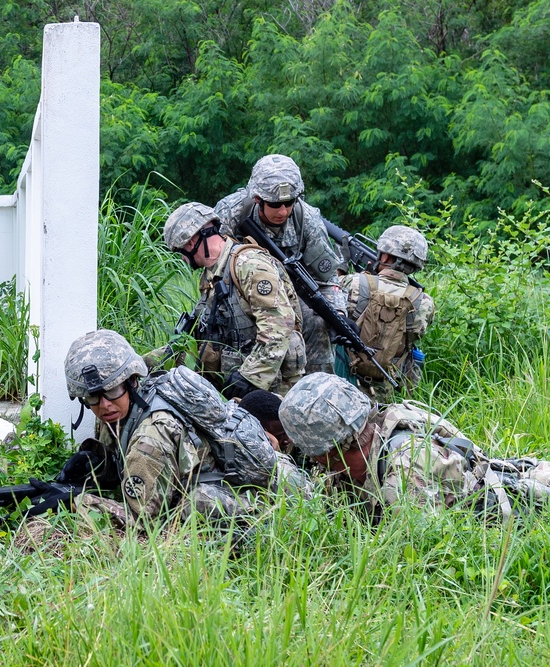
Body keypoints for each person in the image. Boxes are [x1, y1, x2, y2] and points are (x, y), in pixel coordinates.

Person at [278, 373, 550, 523]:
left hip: (548, 509)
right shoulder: (372, 438)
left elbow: (419, 563)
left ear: (325, 452)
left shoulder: (403, 476)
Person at [64, 329, 269, 528]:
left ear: (132, 381)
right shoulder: (126, 410)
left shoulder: (152, 433)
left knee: (194, 505)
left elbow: (142, 519)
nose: (104, 404)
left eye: (113, 390)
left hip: (241, 495)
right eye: (93, 396)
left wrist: (75, 502)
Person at [214, 154, 347, 375]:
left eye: (289, 203)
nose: (283, 211)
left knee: (318, 321)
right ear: (257, 199)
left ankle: (319, 386)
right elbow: (212, 268)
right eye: (275, 204)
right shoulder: (230, 214)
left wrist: (339, 316)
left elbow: (327, 279)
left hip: (292, 294)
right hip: (240, 293)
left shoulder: (308, 220)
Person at [162, 201, 305, 399]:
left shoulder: (249, 265)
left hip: (274, 388)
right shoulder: (212, 276)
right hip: (242, 384)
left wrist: (248, 377)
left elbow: (279, 326)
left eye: (180, 251)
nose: (183, 259)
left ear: (190, 243)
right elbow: (198, 337)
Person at [339, 225, 435, 401]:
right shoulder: (424, 302)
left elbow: (330, 301)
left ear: (385, 255)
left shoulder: (352, 283)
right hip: (386, 391)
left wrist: (341, 267)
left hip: (344, 383)